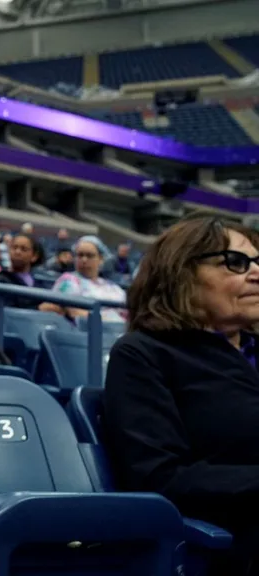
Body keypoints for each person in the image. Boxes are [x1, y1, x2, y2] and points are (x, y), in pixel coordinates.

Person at [103, 216, 259, 575]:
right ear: (181, 274)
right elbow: (159, 478)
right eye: (236, 263)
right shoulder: (143, 354)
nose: (256, 273)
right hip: (229, 543)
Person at [40, 236, 126, 323]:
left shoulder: (112, 287)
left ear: (101, 259)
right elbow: (74, 311)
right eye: (80, 255)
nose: (84, 260)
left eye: (89, 256)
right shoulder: (68, 280)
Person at [0, 232, 46, 309]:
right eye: (14, 247)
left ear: (34, 256)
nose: (17, 252)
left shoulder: (39, 283)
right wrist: (39, 309)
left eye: (24, 249)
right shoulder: (2, 280)